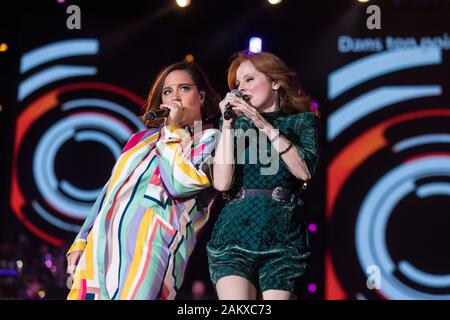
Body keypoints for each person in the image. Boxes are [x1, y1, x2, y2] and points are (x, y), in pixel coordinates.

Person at [66, 61, 220, 300]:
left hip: (153, 251)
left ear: (201, 96)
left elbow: (179, 184)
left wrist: (172, 131)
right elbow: (109, 191)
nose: (174, 97)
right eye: (168, 91)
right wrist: (82, 238)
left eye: (184, 89)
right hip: (100, 249)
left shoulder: (210, 139)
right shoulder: (140, 139)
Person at [207, 51, 320, 300]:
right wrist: (226, 125)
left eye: (249, 79)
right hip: (234, 235)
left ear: (275, 82)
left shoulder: (302, 122)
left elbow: (304, 171)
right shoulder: (233, 127)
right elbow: (222, 182)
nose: (241, 88)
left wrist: (262, 123)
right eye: (237, 84)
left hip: (283, 237)